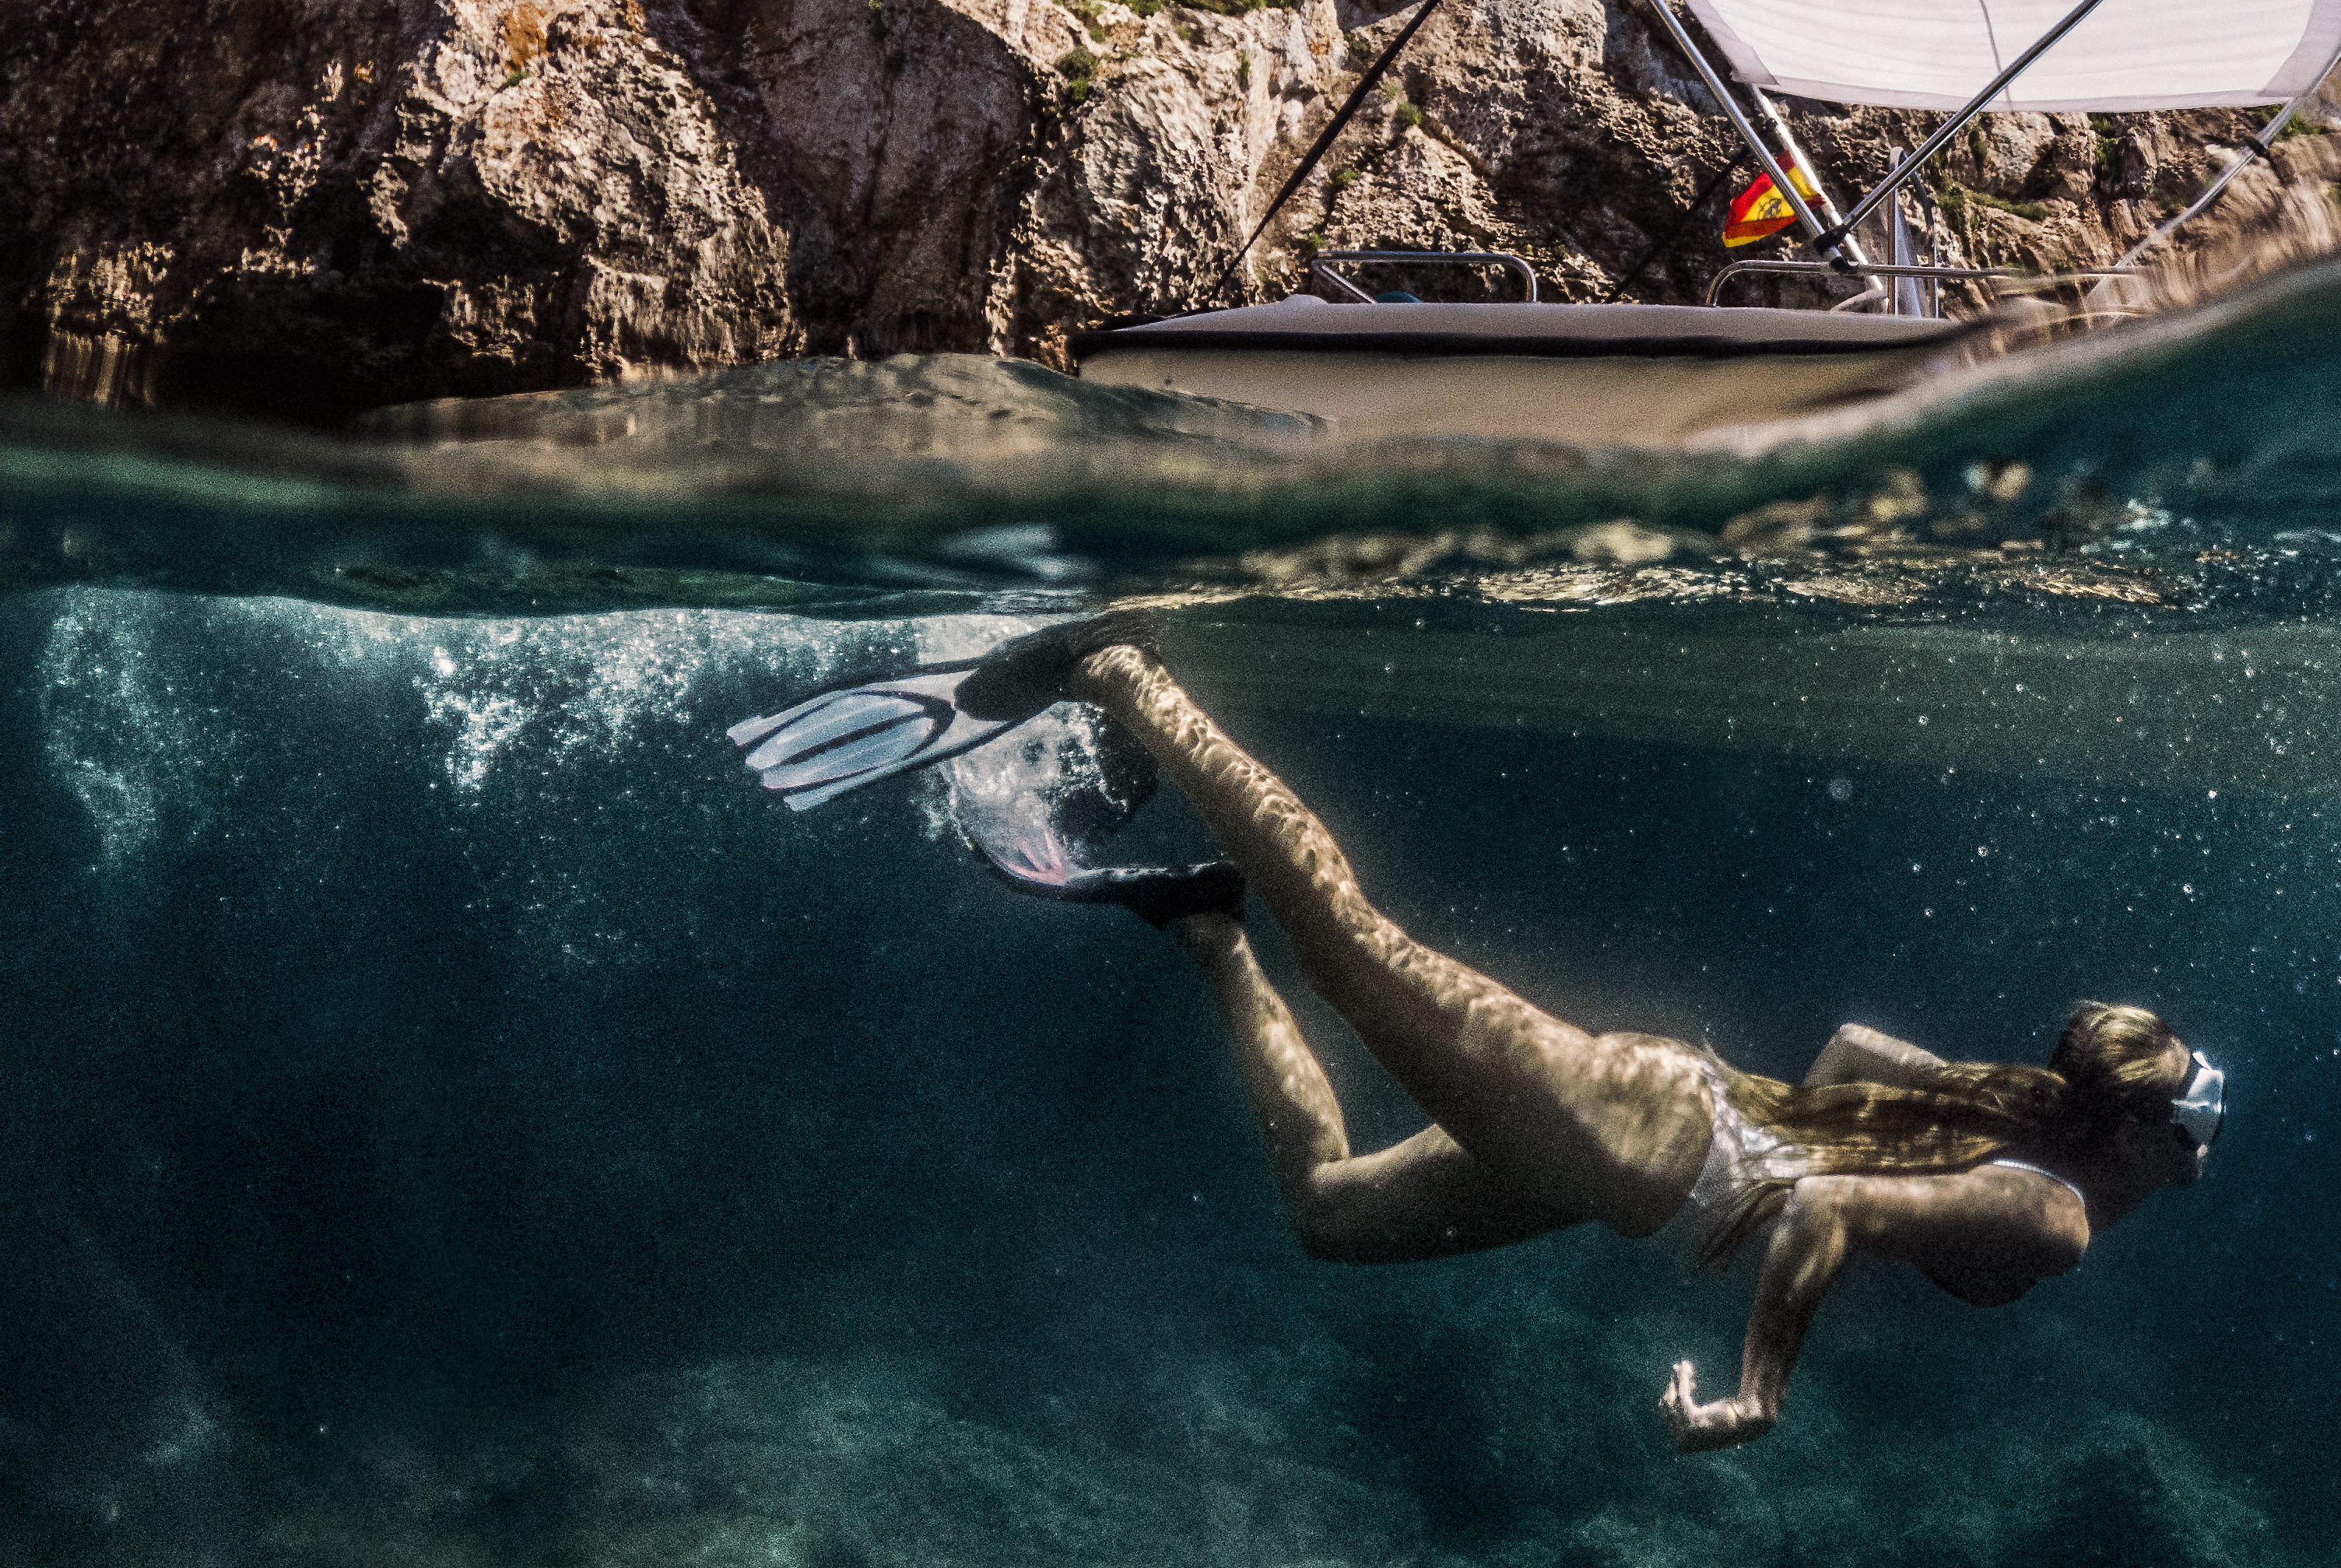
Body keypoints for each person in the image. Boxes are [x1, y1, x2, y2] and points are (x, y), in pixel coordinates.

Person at [728, 616, 2220, 1450]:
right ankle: (1125, 674)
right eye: (2197, 1129)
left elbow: (1838, 1060)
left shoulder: (2007, 1122)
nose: (2203, 1152)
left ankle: (1202, 924)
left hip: (1631, 1146)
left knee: (1330, 1215)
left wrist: (1766, 1147)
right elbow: (1826, 1203)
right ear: (2137, 1134)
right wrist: (1764, 1387)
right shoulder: (2054, 1213)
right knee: (1355, 938)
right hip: (1627, 1133)